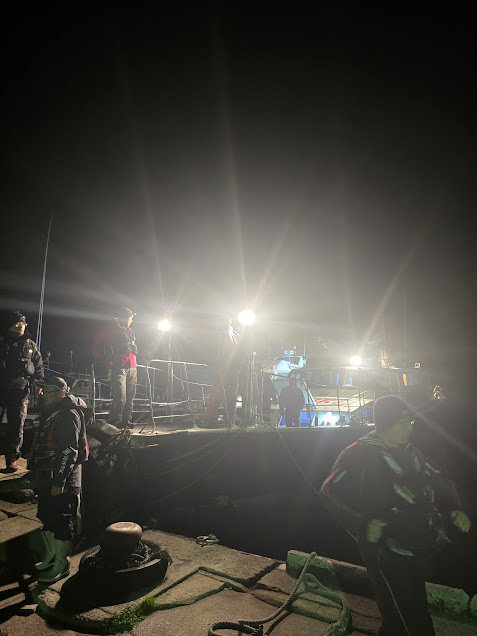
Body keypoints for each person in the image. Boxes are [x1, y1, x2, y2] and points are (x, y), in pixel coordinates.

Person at [320, 394, 471, 635]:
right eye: (403, 422)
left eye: (410, 421)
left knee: (405, 612)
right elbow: (328, 492)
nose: (410, 427)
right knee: (410, 620)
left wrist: (455, 508)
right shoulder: (358, 453)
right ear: (386, 423)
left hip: (417, 547)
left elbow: (439, 479)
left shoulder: (410, 451)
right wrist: (363, 524)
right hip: (386, 551)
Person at [28, 376, 89, 584]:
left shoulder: (68, 414)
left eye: (49, 391)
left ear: (62, 392)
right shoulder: (52, 412)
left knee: (62, 520)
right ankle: (51, 557)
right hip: (47, 476)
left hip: (62, 479)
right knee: (46, 516)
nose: (44, 395)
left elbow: (69, 451)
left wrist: (60, 481)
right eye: (43, 391)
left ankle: (62, 564)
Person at [0, 311, 44, 472]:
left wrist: (39, 383)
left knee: (17, 425)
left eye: (23, 323)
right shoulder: (2, 342)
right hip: (1, 385)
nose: (21, 326)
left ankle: (11, 459)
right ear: (10, 325)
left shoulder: (31, 345)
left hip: (20, 388)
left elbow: (38, 364)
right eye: (18, 323)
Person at [92, 307, 138, 429]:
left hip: (132, 366)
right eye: (130, 318)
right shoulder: (108, 330)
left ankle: (126, 421)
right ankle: (114, 423)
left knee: (130, 396)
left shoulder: (130, 331)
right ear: (124, 318)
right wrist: (104, 359)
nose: (131, 320)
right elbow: (95, 346)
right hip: (117, 367)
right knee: (120, 397)